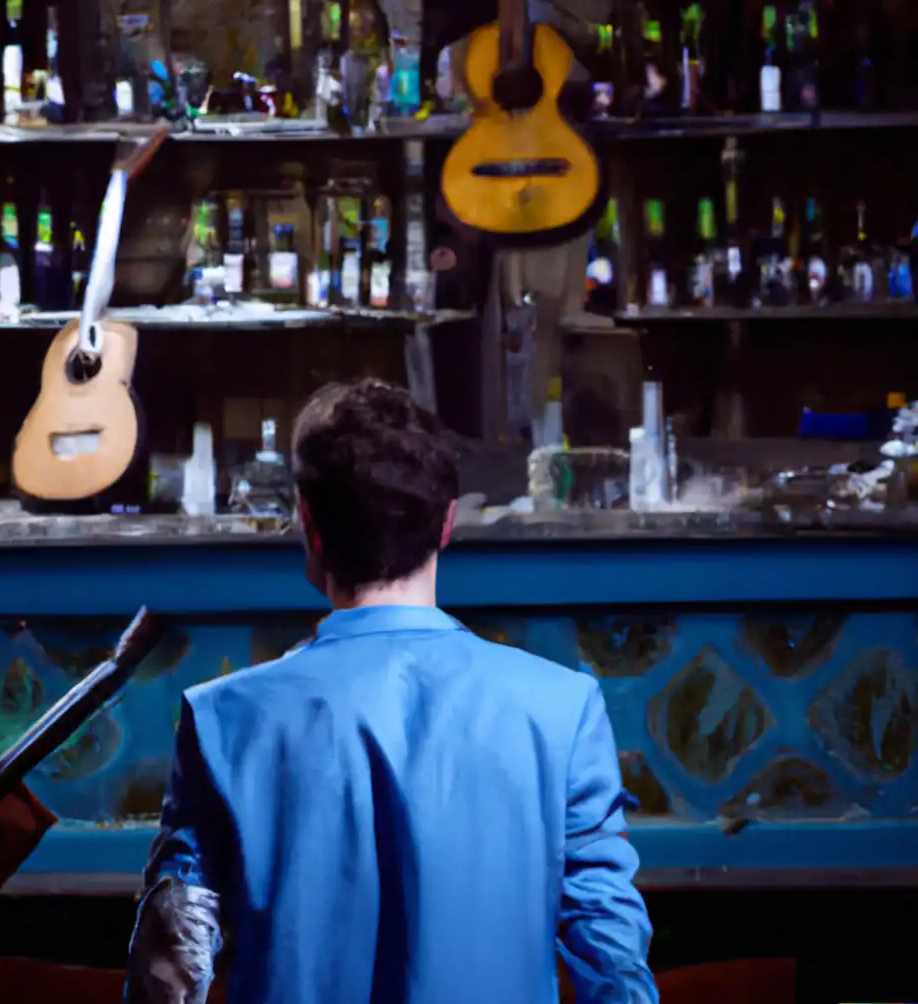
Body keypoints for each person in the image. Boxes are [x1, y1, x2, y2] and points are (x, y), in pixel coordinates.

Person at [126, 379, 657, 1004]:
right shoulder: (563, 709)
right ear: (448, 524)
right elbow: (615, 964)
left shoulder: (220, 720)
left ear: (307, 524)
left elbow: (169, 977)